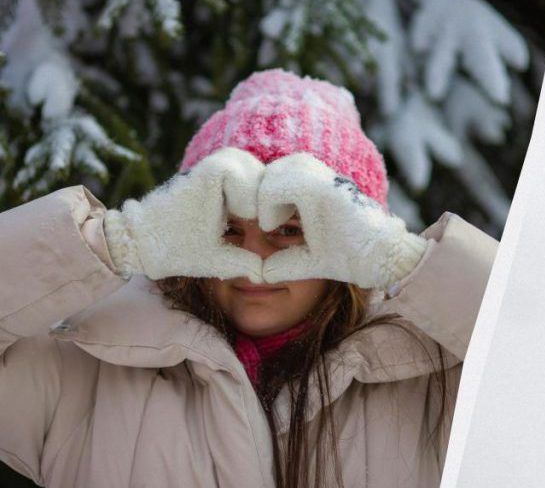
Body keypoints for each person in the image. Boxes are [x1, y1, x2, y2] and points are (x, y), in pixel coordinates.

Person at [0, 69, 497, 488]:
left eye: (290, 230)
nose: (255, 255)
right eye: (228, 229)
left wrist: (403, 259)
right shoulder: (83, 363)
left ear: (347, 242)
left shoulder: (435, 376)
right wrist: (118, 239)